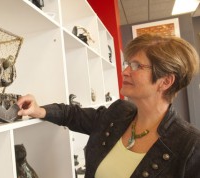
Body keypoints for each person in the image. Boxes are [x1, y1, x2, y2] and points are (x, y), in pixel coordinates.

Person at [17, 33, 200, 178]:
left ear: (165, 81)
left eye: (136, 66)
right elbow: (73, 115)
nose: (125, 72)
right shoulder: (118, 112)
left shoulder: (190, 146)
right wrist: (38, 110)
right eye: (128, 64)